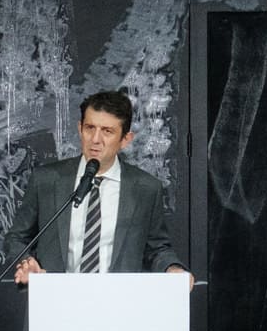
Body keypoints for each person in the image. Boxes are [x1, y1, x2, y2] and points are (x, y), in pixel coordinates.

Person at [11, 89, 193, 286]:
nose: (95, 139)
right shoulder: (46, 179)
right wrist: (27, 263)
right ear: (80, 129)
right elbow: (17, 238)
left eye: (107, 131)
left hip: (118, 299)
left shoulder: (146, 188)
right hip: (57, 296)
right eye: (90, 128)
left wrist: (172, 268)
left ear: (126, 139)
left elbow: (157, 248)